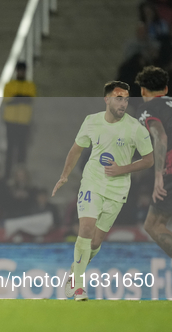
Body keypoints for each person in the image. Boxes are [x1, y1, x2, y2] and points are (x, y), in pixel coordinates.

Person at [52, 81, 154, 301]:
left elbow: (149, 160)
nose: (124, 103)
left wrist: (122, 169)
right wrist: (64, 175)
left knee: (95, 243)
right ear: (107, 99)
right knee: (86, 229)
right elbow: (76, 149)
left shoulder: (135, 127)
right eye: (119, 98)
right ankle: (79, 286)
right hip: (92, 183)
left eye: (127, 99)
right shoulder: (92, 121)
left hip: (118, 189)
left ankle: (74, 272)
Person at [136, 66, 172, 257]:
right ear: (165, 89)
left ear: (142, 91)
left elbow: (160, 137)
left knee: (154, 225)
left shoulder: (146, 109)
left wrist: (159, 174)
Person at [3, 62, 36, 177]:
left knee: (22, 149)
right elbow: (7, 99)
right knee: (10, 149)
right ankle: (8, 174)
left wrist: (16, 97)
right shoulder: (9, 84)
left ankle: (21, 175)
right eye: (19, 70)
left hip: (23, 121)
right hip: (11, 121)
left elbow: (29, 99)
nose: (21, 72)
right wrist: (22, 97)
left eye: (23, 70)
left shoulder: (29, 85)